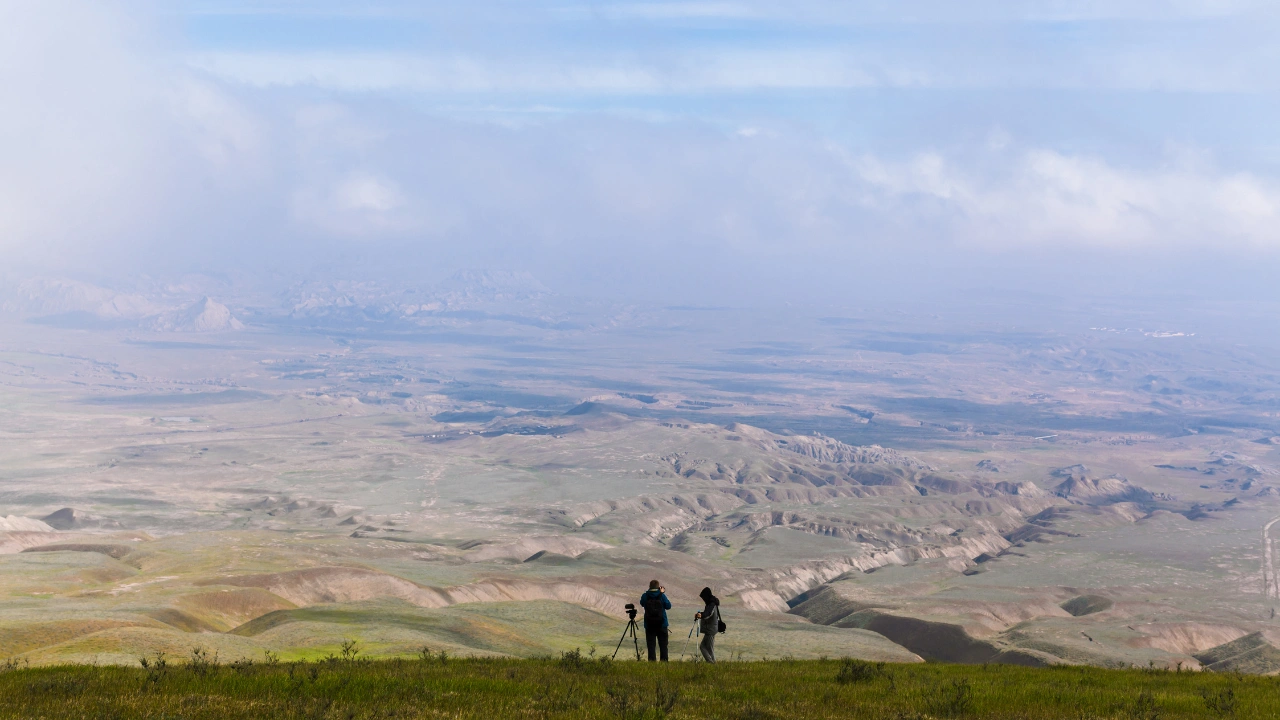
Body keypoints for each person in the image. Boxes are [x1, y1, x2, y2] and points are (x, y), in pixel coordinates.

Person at [639, 579, 671, 661]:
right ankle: (664, 663)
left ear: (649, 587)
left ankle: (652, 663)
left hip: (649, 625)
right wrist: (662, 593)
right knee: (663, 646)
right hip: (662, 624)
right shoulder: (662, 596)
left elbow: (642, 603)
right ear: (658, 587)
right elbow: (668, 606)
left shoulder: (645, 596)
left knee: (651, 646)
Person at [695, 586, 720, 663]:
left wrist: (701, 615)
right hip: (710, 629)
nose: (703, 599)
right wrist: (701, 614)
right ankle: (711, 663)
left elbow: (708, 614)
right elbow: (707, 613)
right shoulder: (710, 603)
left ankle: (712, 664)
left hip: (710, 630)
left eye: (703, 597)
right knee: (703, 647)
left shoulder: (712, 604)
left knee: (708, 648)